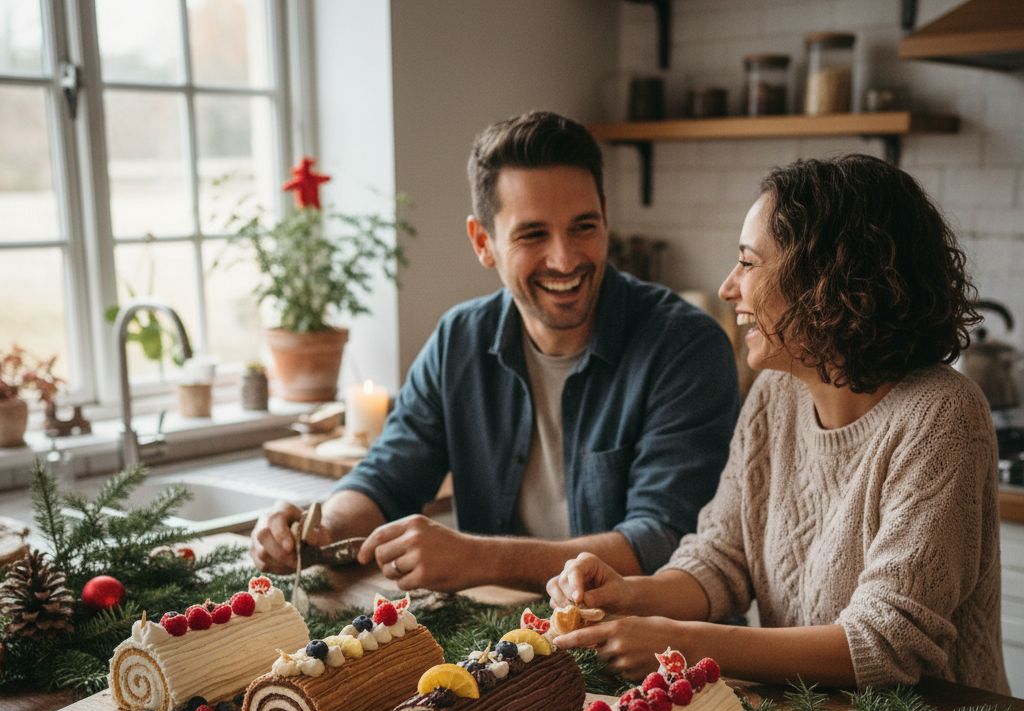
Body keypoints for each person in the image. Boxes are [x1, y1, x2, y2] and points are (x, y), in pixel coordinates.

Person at [548, 154, 1008, 694]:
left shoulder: (942, 414)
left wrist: (681, 643)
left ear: (829, 281)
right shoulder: (775, 393)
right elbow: (722, 559)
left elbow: (884, 642)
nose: (728, 288)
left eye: (748, 263)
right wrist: (628, 594)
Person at [252, 111, 739, 592]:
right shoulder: (459, 339)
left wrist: (476, 558)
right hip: (499, 633)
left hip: (646, 637)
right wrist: (318, 530)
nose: (565, 258)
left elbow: (663, 541)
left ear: (606, 219)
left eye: (583, 227)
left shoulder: (686, 347)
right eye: (533, 234)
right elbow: (387, 479)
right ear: (483, 242)